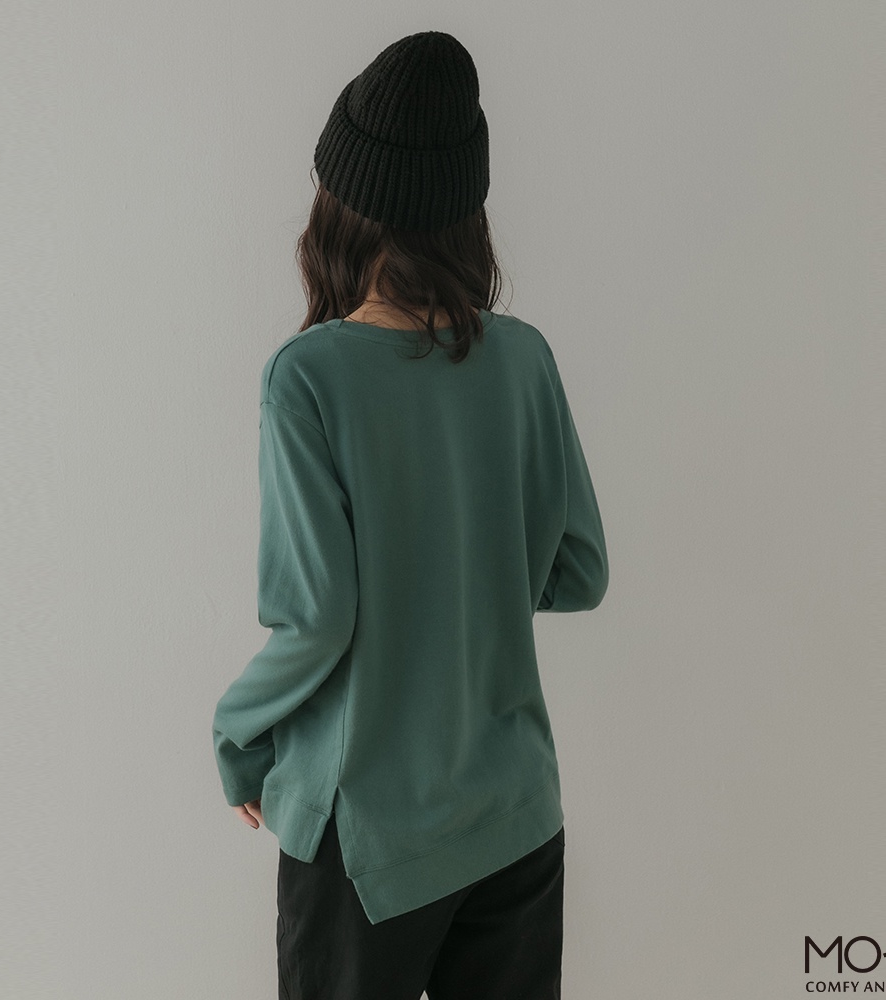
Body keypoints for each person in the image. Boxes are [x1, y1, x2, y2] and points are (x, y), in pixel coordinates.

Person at [211, 29, 609, 1000]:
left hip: (369, 840)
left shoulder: (308, 376)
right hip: (514, 816)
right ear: (464, 210)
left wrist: (237, 736)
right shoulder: (524, 358)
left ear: (339, 202)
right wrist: (468, 566)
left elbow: (318, 618)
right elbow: (579, 572)